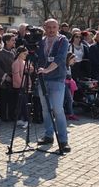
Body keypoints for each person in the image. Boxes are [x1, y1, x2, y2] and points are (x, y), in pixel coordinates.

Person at [36, 19, 71, 153]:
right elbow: (38, 58)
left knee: (58, 109)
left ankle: (63, 141)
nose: (51, 30)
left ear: (58, 28)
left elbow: (60, 58)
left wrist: (47, 70)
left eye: (54, 27)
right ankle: (48, 135)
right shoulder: (41, 41)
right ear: (44, 27)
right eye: (49, 27)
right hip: (42, 79)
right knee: (46, 109)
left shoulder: (63, 40)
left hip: (57, 79)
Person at [0, 33, 16, 121]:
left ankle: (11, 115)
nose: (14, 42)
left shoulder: (14, 52)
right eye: (12, 40)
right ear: (7, 41)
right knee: (4, 99)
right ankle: (3, 116)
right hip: (3, 80)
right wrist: (4, 76)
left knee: (12, 99)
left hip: (13, 79)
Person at [11, 46, 30, 128]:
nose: (26, 55)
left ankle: (20, 119)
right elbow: (16, 77)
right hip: (19, 86)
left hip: (23, 86)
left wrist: (29, 83)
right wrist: (22, 85)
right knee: (22, 104)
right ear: (19, 53)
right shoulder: (16, 63)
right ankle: (25, 120)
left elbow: (26, 74)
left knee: (22, 104)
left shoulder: (23, 62)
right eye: (24, 54)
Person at [64, 53, 79, 121]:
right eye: (73, 60)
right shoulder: (64, 66)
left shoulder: (69, 67)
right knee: (69, 99)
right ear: (69, 59)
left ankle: (68, 113)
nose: (74, 61)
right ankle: (70, 114)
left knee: (68, 99)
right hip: (64, 84)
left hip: (69, 84)